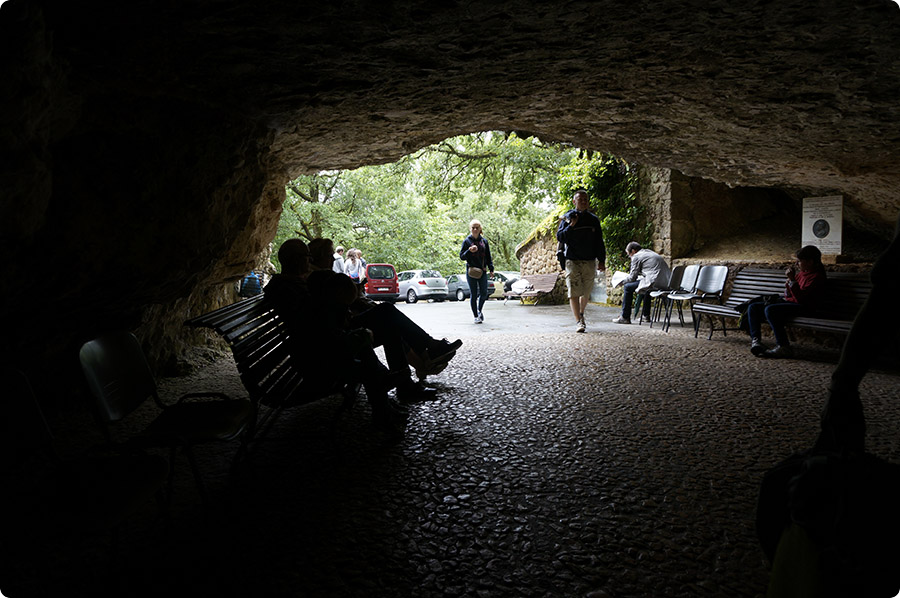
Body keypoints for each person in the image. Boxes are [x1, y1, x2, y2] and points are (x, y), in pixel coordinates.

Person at [263, 239, 407, 435]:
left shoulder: (289, 285)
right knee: (363, 345)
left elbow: (320, 325)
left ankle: (383, 405)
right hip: (314, 359)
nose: (310, 260)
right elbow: (316, 327)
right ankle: (383, 407)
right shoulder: (291, 289)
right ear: (297, 260)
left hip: (315, 348)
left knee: (362, 342)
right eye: (307, 256)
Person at [307, 237, 462, 394]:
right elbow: (335, 306)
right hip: (339, 333)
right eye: (328, 255)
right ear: (316, 256)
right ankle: (426, 353)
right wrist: (354, 295)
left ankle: (418, 367)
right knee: (387, 312)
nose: (332, 259)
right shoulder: (317, 277)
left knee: (389, 323)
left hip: (339, 329)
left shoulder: (316, 275)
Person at [748, 245, 827, 359]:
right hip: (793, 303)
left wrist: (793, 281)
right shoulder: (802, 273)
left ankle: (783, 346)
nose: (796, 264)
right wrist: (789, 285)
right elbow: (789, 295)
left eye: (799, 261)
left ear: (810, 262)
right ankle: (756, 341)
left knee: (771, 310)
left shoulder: (816, 277)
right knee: (754, 307)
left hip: (806, 307)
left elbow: (802, 299)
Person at [556, 189, 606, 332]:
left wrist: (601, 260)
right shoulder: (567, 218)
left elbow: (599, 242)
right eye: (580, 199)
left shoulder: (593, 220)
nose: (584, 201)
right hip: (572, 260)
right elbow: (560, 237)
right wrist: (571, 225)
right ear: (574, 201)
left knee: (586, 291)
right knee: (573, 291)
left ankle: (581, 313)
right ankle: (579, 321)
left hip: (589, 260)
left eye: (586, 199)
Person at [613, 242, 671, 324]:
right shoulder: (649, 252)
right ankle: (645, 315)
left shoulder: (636, 256)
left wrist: (622, 282)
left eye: (629, 254)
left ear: (633, 251)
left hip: (654, 283)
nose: (629, 256)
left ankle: (625, 317)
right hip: (667, 283)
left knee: (627, 287)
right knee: (644, 286)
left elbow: (632, 277)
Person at [459, 219, 494, 324]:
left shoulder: (484, 242)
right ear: (470, 229)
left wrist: (491, 269)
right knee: (473, 294)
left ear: (480, 229)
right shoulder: (467, 241)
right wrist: (469, 251)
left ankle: (479, 310)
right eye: (473, 227)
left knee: (484, 293)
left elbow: (488, 256)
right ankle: (475, 316)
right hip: (471, 271)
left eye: (477, 227)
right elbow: (462, 256)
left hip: (482, 271)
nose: (475, 229)